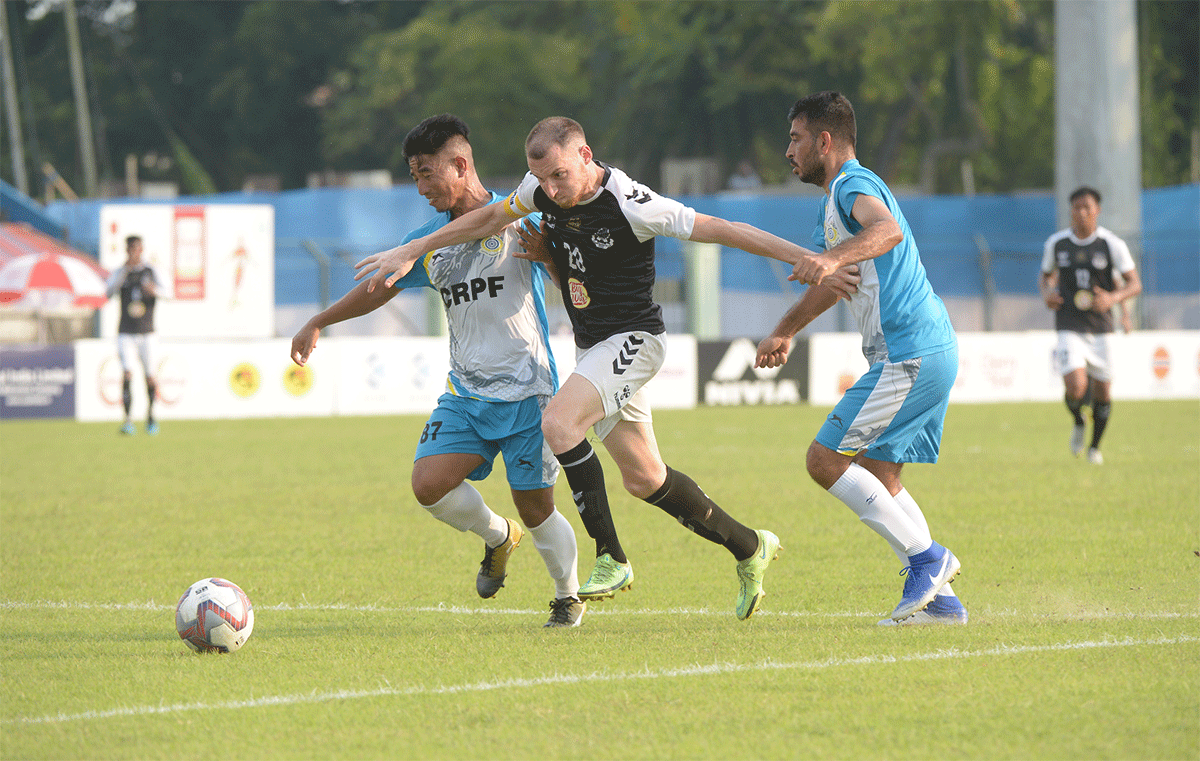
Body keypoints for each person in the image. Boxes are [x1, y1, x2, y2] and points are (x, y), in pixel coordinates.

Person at [355, 116, 844, 620]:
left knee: (559, 422)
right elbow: (488, 219)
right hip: (595, 350)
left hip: (635, 340)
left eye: (560, 176)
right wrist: (418, 246)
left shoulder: (634, 204)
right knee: (646, 479)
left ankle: (611, 556)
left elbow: (724, 228)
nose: (549, 190)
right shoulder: (540, 189)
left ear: (586, 157)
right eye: (540, 180)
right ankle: (749, 546)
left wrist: (809, 257)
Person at [291, 114, 585, 628]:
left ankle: (567, 595)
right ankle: (498, 536)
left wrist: (553, 261)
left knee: (538, 507)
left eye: (428, 173)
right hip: (466, 393)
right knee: (428, 483)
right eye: (415, 176)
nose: (422, 187)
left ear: (460, 164)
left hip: (530, 394)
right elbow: (378, 289)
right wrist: (321, 319)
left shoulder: (521, 217)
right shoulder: (428, 240)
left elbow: (576, 289)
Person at [754, 91, 965, 626]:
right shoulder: (834, 203)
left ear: (825, 141)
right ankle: (940, 603)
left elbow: (887, 229)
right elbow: (838, 279)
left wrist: (829, 256)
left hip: (908, 351)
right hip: (923, 348)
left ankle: (928, 559)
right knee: (878, 473)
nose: (788, 151)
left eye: (796, 138)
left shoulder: (853, 184)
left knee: (824, 461)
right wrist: (786, 329)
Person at [1039, 186, 1141, 465]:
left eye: (1087, 207)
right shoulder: (1057, 243)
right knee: (1075, 386)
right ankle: (1078, 420)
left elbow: (1134, 283)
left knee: (1103, 392)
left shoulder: (1111, 244)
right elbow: (1046, 276)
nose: (1081, 212)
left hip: (1101, 328)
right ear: (1070, 211)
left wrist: (1113, 299)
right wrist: (1048, 294)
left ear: (1097, 211)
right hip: (1069, 324)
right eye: (1076, 207)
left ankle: (1094, 448)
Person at [104, 235, 162, 436]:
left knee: (150, 376)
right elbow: (108, 292)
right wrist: (123, 274)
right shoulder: (121, 272)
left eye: (137, 248)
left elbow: (168, 292)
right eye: (130, 249)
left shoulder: (150, 271)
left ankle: (151, 417)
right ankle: (128, 420)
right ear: (126, 250)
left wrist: (154, 291)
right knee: (127, 373)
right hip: (126, 332)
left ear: (142, 249)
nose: (134, 252)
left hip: (147, 332)